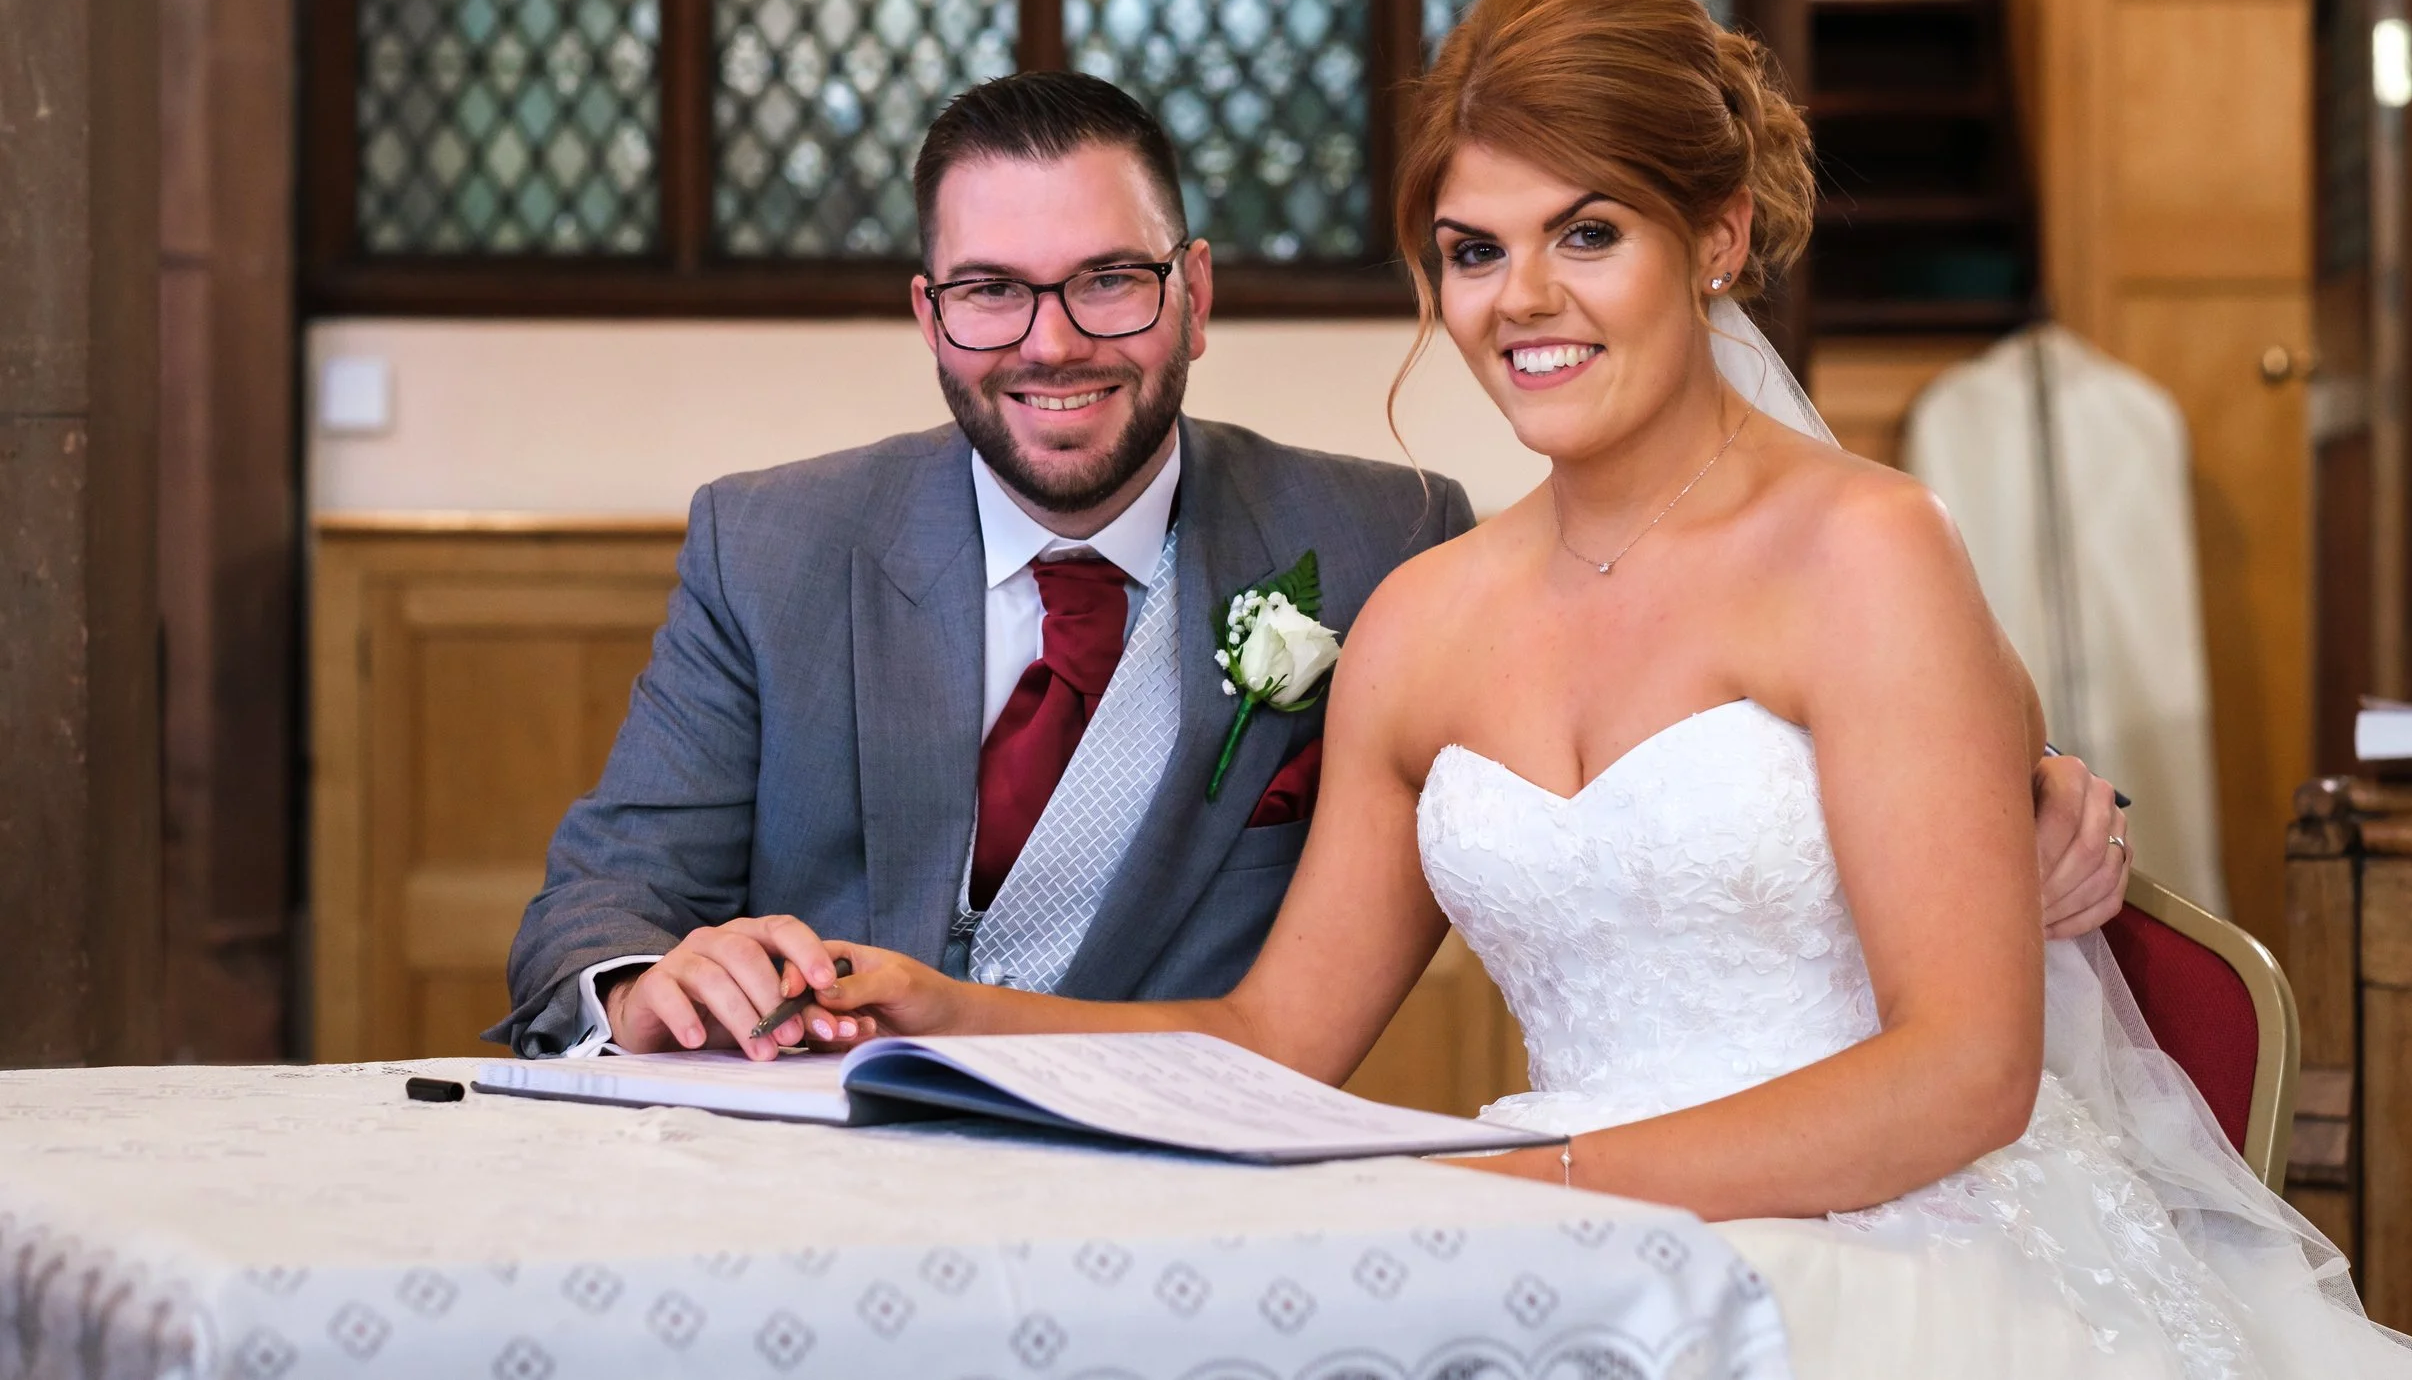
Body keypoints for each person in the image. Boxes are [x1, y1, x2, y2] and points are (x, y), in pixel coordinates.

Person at [800, 0, 2412, 1380]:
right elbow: (1270, 1037)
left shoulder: (1869, 551)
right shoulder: (1422, 616)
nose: (1523, 299)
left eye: (1586, 233)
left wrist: (1547, 1177)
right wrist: (946, 1011)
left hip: (1894, 1259)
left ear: (1723, 236)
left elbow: (1965, 1068)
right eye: (1472, 250)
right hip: (1561, 1255)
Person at [493, 67, 2129, 1064]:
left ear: (1198, 294)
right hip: (797, 1199)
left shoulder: (1385, 547)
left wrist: (2026, 779)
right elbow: (598, 900)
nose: (1051, 342)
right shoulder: (769, 544)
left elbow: (1783, 660)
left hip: (1188, 1226)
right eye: (991, 289)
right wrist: (646, 982)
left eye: (1111, 282)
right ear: (928, 316)